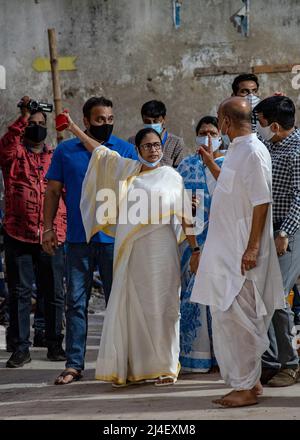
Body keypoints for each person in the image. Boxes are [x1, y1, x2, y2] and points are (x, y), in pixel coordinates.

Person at [61, 110, 199, 387]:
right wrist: (74, 128)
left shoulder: (172, 175)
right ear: (137, 150)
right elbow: (100, 153)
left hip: (164, 251)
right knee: (136, 308)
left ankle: (166, 367)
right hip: (134, 252)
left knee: (166, 308)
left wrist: (195, 250)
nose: (153, 150)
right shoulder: (129, 172)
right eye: (147, 146)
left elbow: (186, 214)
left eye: (157, 145)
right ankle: (135, 366)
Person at [191, 97, 285, 408]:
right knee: (229, 318)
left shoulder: (254, 152)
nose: (218, 125)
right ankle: (250, 382)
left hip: (242, 251)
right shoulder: (236, 150)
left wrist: (253, 246)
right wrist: (210, 163)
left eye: (219, 119)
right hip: (227, 249)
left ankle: (246, 387)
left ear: (226, 123)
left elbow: (261, 201)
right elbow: (233, 188)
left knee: (241, 321)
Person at [43, 96, 137, 385]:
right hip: (77, 239)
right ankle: (74, 364)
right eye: (99, 120)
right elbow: (54, 190)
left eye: (110, 120)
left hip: (114, 239)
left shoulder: (123, 149)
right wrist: (47, 227)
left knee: (117, 302)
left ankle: (122, 362)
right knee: (75, 302)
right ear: (86, 121)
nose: (106, 125)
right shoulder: (65, 151)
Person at [0, 96, 67, 368]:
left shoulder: (56, 156)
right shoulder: (14, 155)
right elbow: (4, 147)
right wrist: (23, 117)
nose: (36, 127)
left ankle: (54, 344)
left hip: (52, 234)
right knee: (19, 292)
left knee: (53, 292)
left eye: (41, 123)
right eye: (32, 123)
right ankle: (19, 348)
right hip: (18, 233)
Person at [254, 96, 300, 386]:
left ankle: (290, 363)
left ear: (273, 125)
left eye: (260, 124)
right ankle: (270, 359)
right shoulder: (269, 146)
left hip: (290, 232)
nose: (258, 129)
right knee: (264, 298)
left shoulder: (297, 151)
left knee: (278, 298)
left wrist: (284, 233)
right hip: (269, 231)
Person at [177, 116, 224, 372]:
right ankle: (197, 357)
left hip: (221, 242)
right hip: (192, 243)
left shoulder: (228, 164)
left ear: (220, 135)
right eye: (203, 131)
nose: (208, 136)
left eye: (212, 131)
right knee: (194, 298)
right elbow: (180, 205)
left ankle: (222, 356)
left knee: (219, 300)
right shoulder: (186, 166)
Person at [128, 100, 185, 167]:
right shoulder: (132, 141)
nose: (152, 125)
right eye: (147, 121)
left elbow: (180, 170)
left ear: (164, 119)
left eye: (155, 121)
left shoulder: (176, 143)